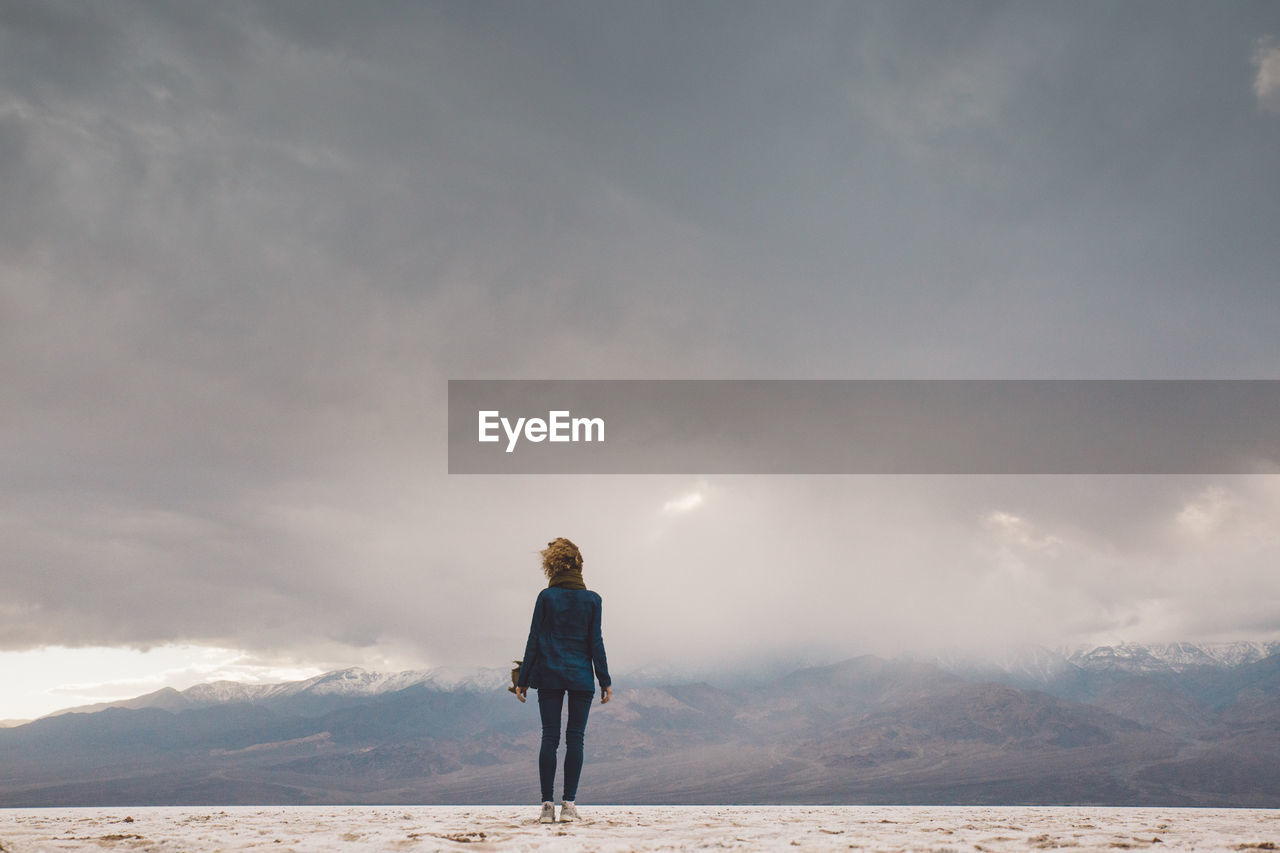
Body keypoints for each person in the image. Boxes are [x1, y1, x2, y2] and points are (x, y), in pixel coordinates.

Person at [515, 537, 613, 824]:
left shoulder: (546, 598)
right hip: (581, 677)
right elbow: (596, 642)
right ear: (579, 565)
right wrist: (604, 679)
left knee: (550, 737)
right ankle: (569, 805)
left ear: (552, 565)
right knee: (575, 740)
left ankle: (547, 807)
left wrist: (522, 679)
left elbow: (534, 639)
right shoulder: (593, 600)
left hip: (549, 674)